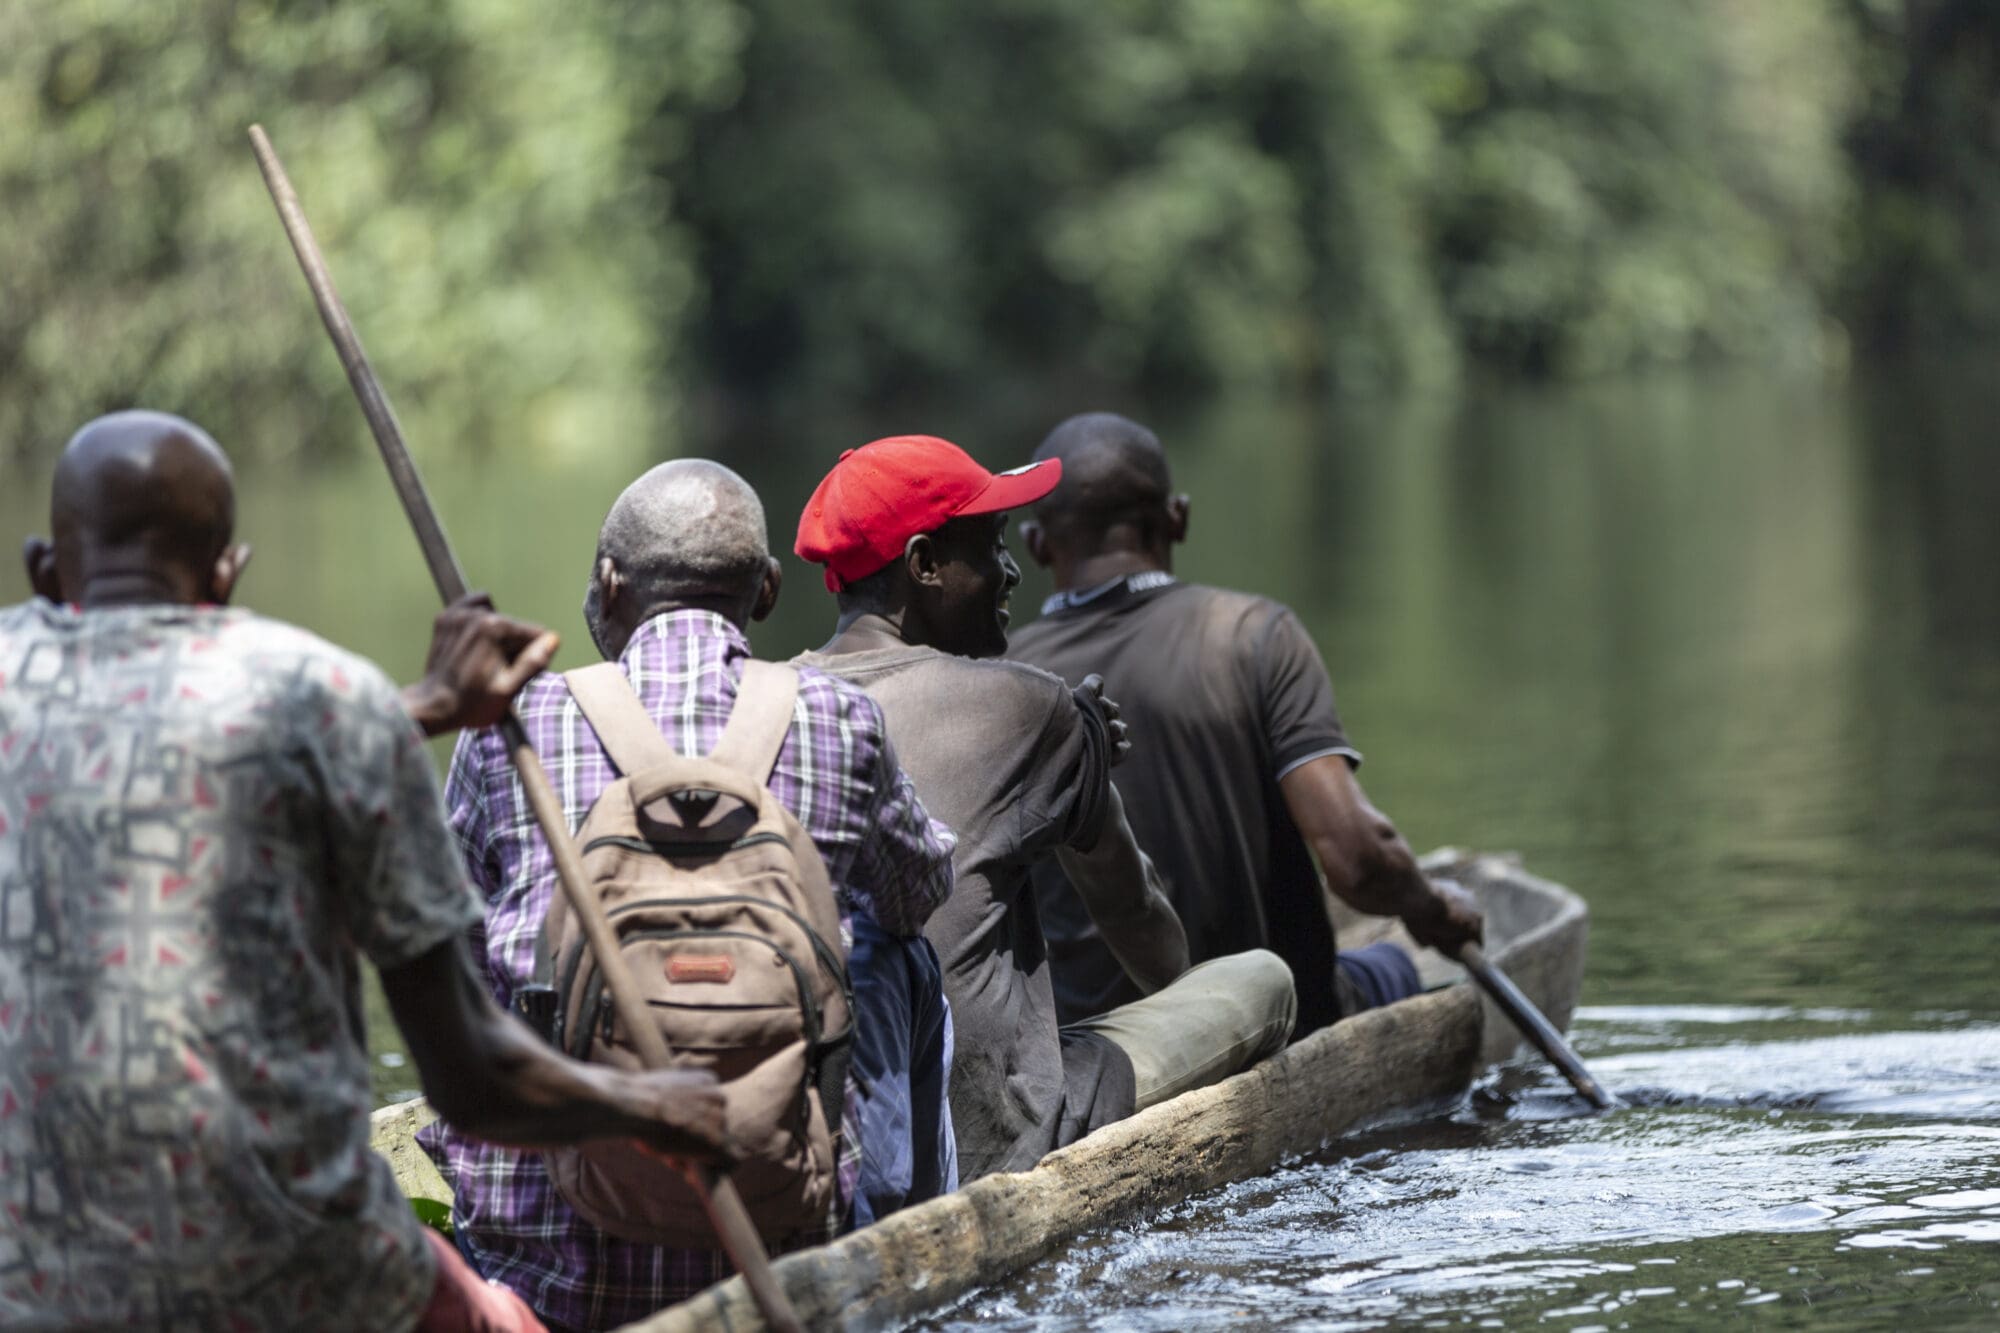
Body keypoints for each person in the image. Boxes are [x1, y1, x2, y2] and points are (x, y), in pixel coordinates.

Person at [1, 411, 734, 1333]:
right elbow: (471, 1083)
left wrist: (421, 707)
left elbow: (144, 741)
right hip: (299, 1283)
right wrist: (649, 1104)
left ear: (41, 570)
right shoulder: (324, 698)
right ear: (226, 576)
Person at [426, 459, 958, 1330]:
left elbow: (453, 952)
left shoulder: (514, 725)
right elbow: (918, 893)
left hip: (555, 1264)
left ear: (608, 583)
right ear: (767, 590)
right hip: (781, 1236)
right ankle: (904, 1246)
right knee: (902, 950)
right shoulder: (838, 716)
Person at [793, 434, 1298, 1182]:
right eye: (990, 546)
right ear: (925, 564)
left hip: (835, 1139)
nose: (1010, 570)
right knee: (1263, 979)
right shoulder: (1024, 705)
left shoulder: (770, 701)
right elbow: (1148, 936)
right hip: (1001, 1140)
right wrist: (1078, 750)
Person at [1009, 412, 1484, 1036]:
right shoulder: (1253, 636)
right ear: (1177, 518)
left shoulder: (1001, 678)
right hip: (1275, 1024)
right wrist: (1432, 911)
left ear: (1038, 544)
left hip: (1091, 1050)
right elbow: (1357, 859)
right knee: (1395, 962)